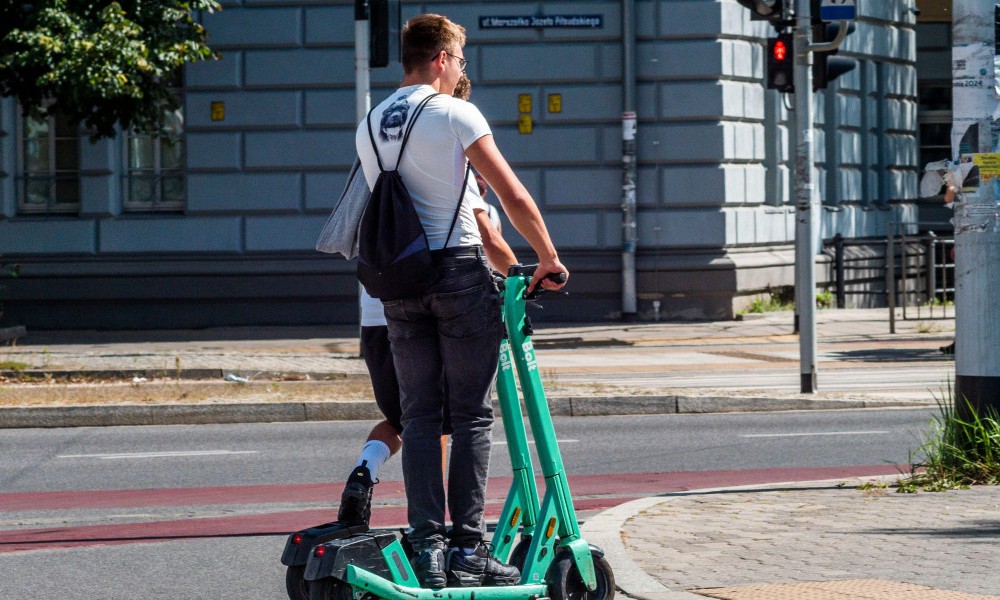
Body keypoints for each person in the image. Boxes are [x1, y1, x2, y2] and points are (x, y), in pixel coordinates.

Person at [355, 13, 567, 589]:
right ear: (443, 59)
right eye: (460, 62)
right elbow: (509, 193)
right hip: (457, 273)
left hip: (400, 284)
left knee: (420, 415)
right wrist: (546, 256)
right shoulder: (455, 112)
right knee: (471, 416)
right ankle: (469, 552)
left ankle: (427, 550)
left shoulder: (372, 121)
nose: (460, 73)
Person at [337, 75, 517, 527]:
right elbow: (491, 233)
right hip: (447, 286)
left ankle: (374, 480)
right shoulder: (453, 175)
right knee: (461, 418)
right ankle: (453, 534)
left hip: (381, 311)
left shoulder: (379, 158)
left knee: (411, 418)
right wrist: (521, 277)